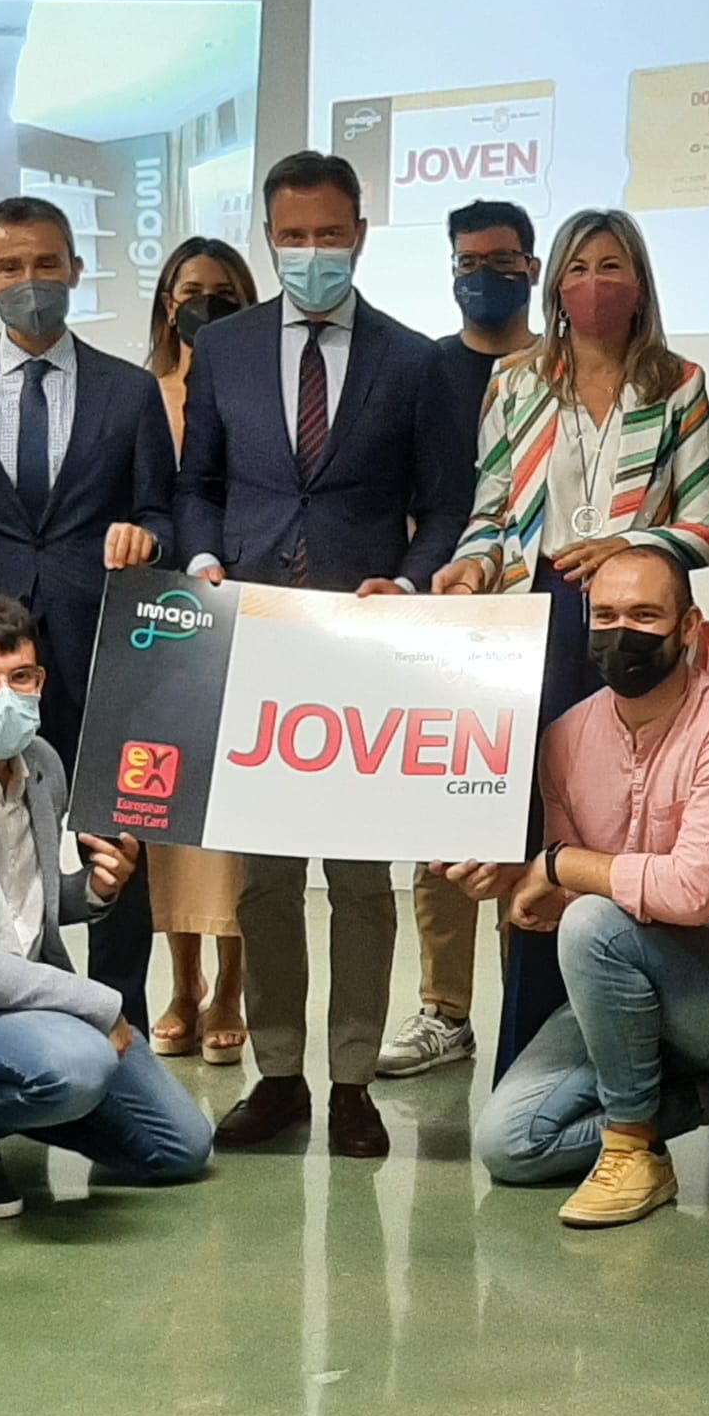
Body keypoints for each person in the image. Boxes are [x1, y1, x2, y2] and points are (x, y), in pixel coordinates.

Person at [174, 150, 475, 1158]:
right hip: (254, 639)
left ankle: (350, 1083)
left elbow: (446, 505)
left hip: (363, 647)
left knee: (357, 882)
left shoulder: (415, 360)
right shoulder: (223, 349)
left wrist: (413, 581)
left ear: (360, 234)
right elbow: (196, 483)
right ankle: (278, 1078)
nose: (313, 252)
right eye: (293, 237)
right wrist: (204, 562)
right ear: (270, 238)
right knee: (263, 883)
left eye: (330, 234)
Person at [427, 206, 709, 1073]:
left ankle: (638, 1056)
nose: (595, 284)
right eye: (580, 268)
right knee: (540, 834)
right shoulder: (516, 383)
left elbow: (704, 525)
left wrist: (633, 547)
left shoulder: (680, 384)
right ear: (554, 283)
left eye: (612, 267)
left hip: (633, 626)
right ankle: (531, 1058)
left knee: (624, 827)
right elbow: (490, 515)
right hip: (537, 626)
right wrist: (470, 567)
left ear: (640, 283)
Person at [454, 546, 709, 1227]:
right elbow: (572, 893)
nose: (620, 633)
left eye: (644, 615)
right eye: (604, 616)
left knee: (595, 923)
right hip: (623, 993)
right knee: (510, 1144)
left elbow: (690, 894)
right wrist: (517, 879)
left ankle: (634, 1147)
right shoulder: (566, 737)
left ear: (689, 627)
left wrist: (557, 868)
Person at [0, 195, 177, 1032]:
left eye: (46, 264)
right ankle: (1, 1011)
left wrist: (147, 536)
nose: (31, 281)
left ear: (75, 269)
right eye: (12, 266)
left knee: (117, 834)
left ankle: (124, 1019)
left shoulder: (130, 391)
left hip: (104, 647)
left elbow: (163, 512)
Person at [0, 587, 213, 1218]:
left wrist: (96, 891)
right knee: (78, 1066)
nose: (5, 696)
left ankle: (32, 1096)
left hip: (31, 990)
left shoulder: (43, 763)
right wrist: (99, 1004)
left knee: (181, 1149)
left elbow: (24, 904)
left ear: (40, 681)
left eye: (20, 677)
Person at [381, 199, 542, 1081]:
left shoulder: (558, 369)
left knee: (533, 823)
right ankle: (445, 1011)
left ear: (532, 267)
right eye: (470, 262)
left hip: (541, 628)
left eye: (503, 260)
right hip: (444, 622)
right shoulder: (422, 370)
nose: (486, 276)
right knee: (443, 818)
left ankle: (528, 1011)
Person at [144, 236, 257, 1068]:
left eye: (224, 291)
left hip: (250, 616)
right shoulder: (138, 393)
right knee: (169, 815)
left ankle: (232, 989)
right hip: (163, 625)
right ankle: (182, 985)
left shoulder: (256, 387)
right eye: (190, 290)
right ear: (166, 301)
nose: (205, 304)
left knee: (242, 820)